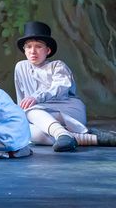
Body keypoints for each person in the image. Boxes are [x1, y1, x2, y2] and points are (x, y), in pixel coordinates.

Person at [14, 21, 116, 152]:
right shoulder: (21, 67)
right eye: (28, 47)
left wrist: (36, 98)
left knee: (30, 111)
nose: (33, 51)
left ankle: (63, 133)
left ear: (48, 50)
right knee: (27, 132)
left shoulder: (57, 65)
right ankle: (92, 138)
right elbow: (22, 100)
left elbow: (59, 87)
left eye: (38, 46)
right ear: (24, 50)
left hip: (67, 110)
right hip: (41, 118)